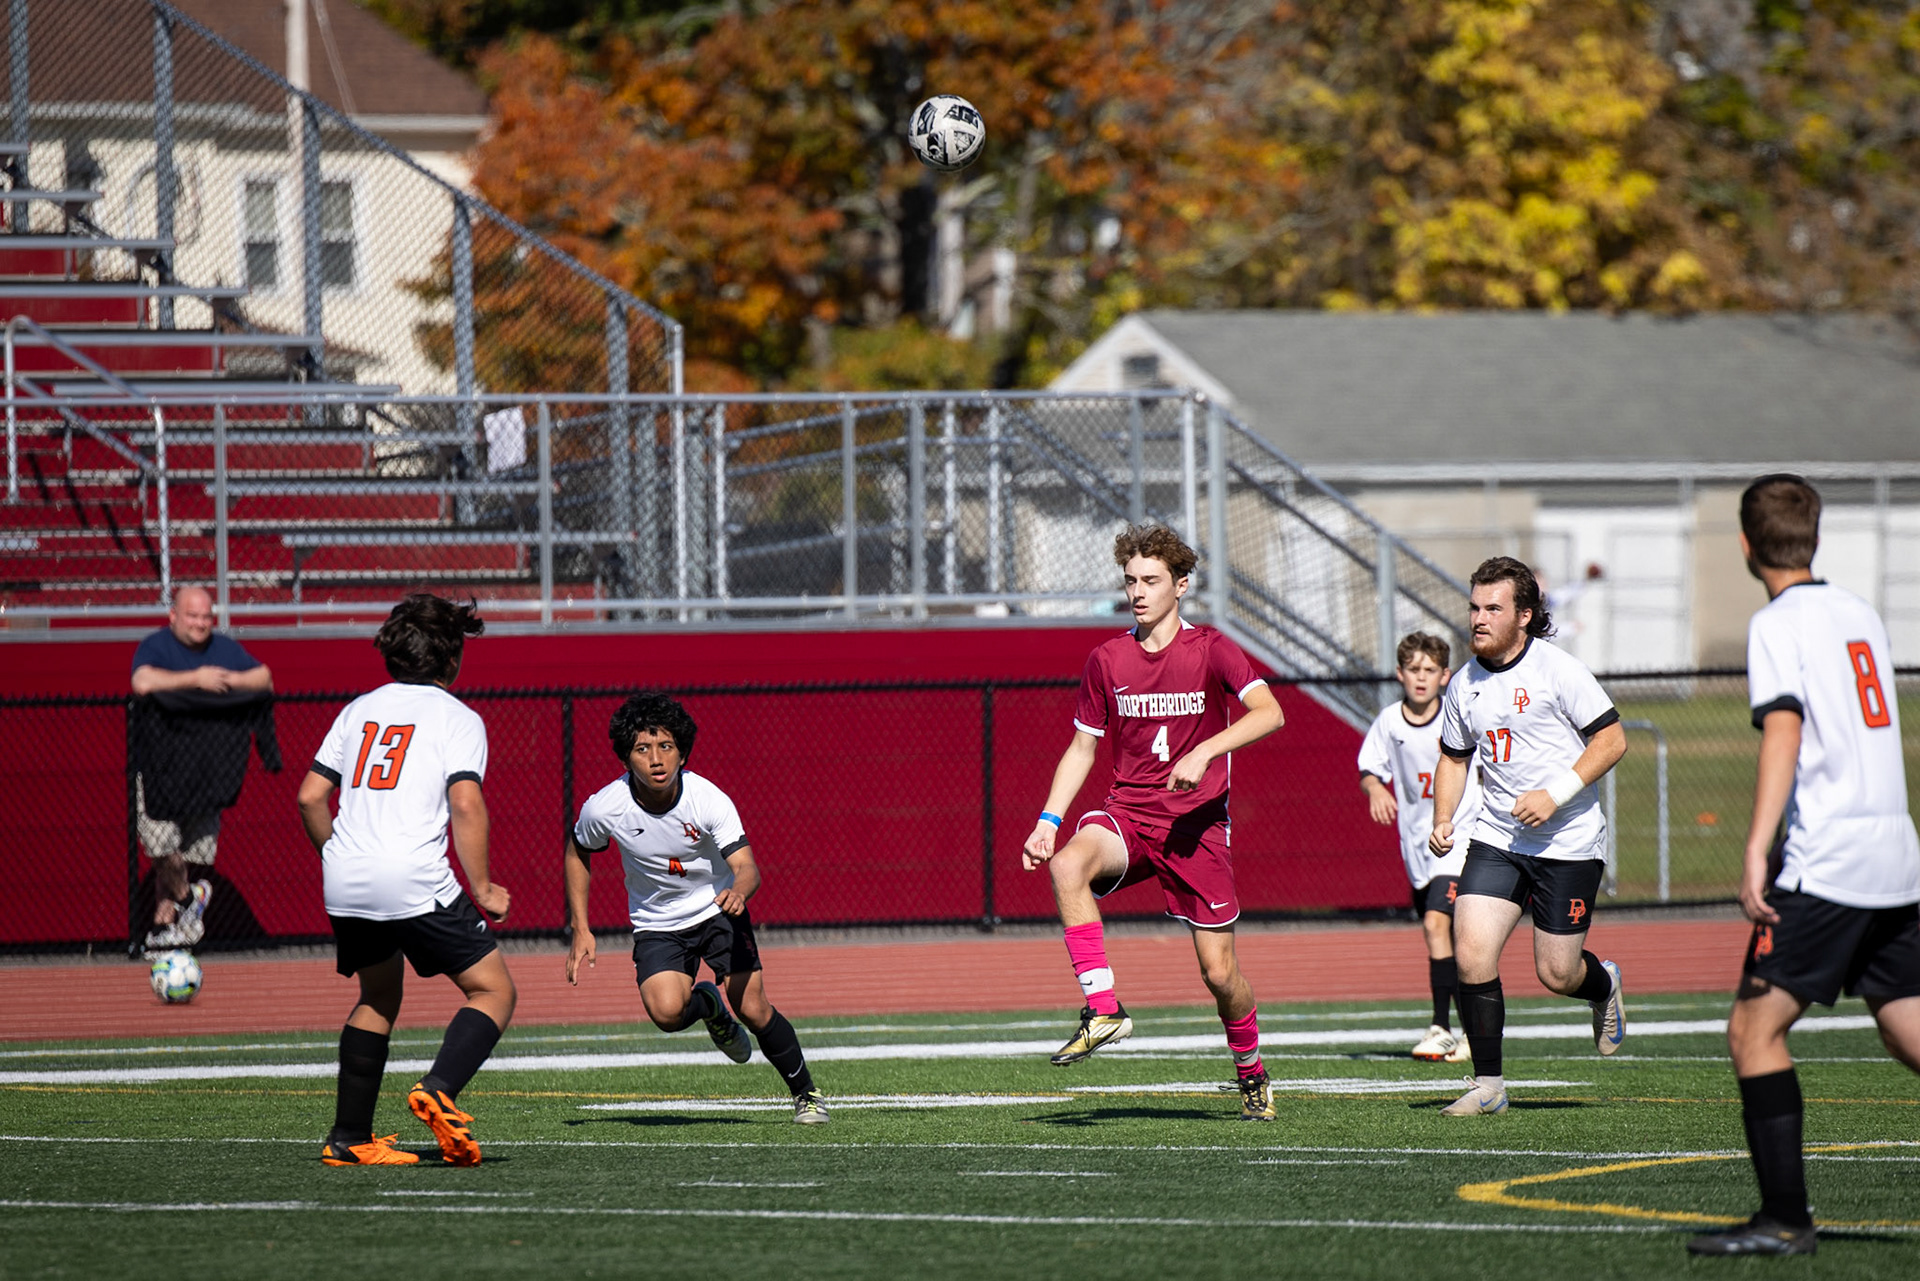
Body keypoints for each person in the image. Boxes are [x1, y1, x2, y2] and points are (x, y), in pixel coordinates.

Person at [1686, 476, 1920, 1257]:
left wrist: (1755, 847)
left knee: (1754, 1028)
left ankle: (1785, 1216)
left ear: (1747, 546)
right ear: (1814, 538)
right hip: (1896, 850)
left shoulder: (1776, 621)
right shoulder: (1859, 612)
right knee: (1906, 1022)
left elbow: (1783, 732)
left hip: (1831, 857)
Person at [1023, 524, 1285, 1121]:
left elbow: (1270, 713)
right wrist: (1047, 819)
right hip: (1129, 816)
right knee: (1067, 863)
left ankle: (1250, 1070)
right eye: (1130, 581)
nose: (1138, 592)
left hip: (1195, 830)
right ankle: (1104, 1009)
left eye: (1151, 580)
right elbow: (1083, 747)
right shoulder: (1106, 658)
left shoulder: (1213, 649)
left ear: (1181, 585)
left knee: (1220, 976)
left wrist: (1205, 752)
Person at [296, 594, 517, 1167]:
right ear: (452, 659)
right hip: (413, 876)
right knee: (493, 991)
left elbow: (311, 795)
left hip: (346, 875)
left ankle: (348, 1138)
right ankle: (439, 1088)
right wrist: (486, 886)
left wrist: (338, 854)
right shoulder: (458, 718)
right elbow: (466, 804)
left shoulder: (357, 710)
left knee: (377, 995)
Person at [563, 691, 828, 1124]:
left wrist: (739, 891)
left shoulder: (708, 799)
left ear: (682, 752)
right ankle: (707, 1005)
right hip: (657, 923)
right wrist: (581, 927)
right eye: (642, 749)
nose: (655, 759)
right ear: (625, 757)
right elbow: (578, 850)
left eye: (665, 746)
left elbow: (747, 867)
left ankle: (807, 1095)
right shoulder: (605, 807)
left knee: (753, 1009)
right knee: (667, 1013)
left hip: (719, 911)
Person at [1429, 556, 1629, 1117]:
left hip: (1567, 842)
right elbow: (1452, 757)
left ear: (1525, 615)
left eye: (1492, 608)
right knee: (1471, 953)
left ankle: (1602, 984)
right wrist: (1444, 817)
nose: (1478, 618)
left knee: (1557, 973)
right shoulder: (1463, 684)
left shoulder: (1558, 670)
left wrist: (1555, 794)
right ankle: (1488, 1087)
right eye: (1473, 607)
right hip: (1497, 838)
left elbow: (1611, 742)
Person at [1358, 632, 1483, 1062]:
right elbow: (1369, 768)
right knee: (1448, 940)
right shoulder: (1390, 721)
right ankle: (1470, 1031)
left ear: (1445, 676)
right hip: (1416, 846)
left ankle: (1441, 1027)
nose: (1421, 678)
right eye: (1414, 669)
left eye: (1430, 670)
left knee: (1437, 924)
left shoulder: (1458, 717)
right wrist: (1375, 787)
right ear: (1400, 674)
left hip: (1458, 838)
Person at [130, 585, 274, 951]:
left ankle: (166, 925)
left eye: (206, 617)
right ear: (174, 615)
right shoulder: (156, 646)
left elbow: (264, 677)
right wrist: (196, 679)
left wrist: (227, 680)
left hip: (208, 771)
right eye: (192, 616)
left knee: (192, 856)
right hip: (160, 769)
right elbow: (142, 681)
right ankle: (190, 899)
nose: (199, 624)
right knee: (160, 845)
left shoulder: (224, 648)